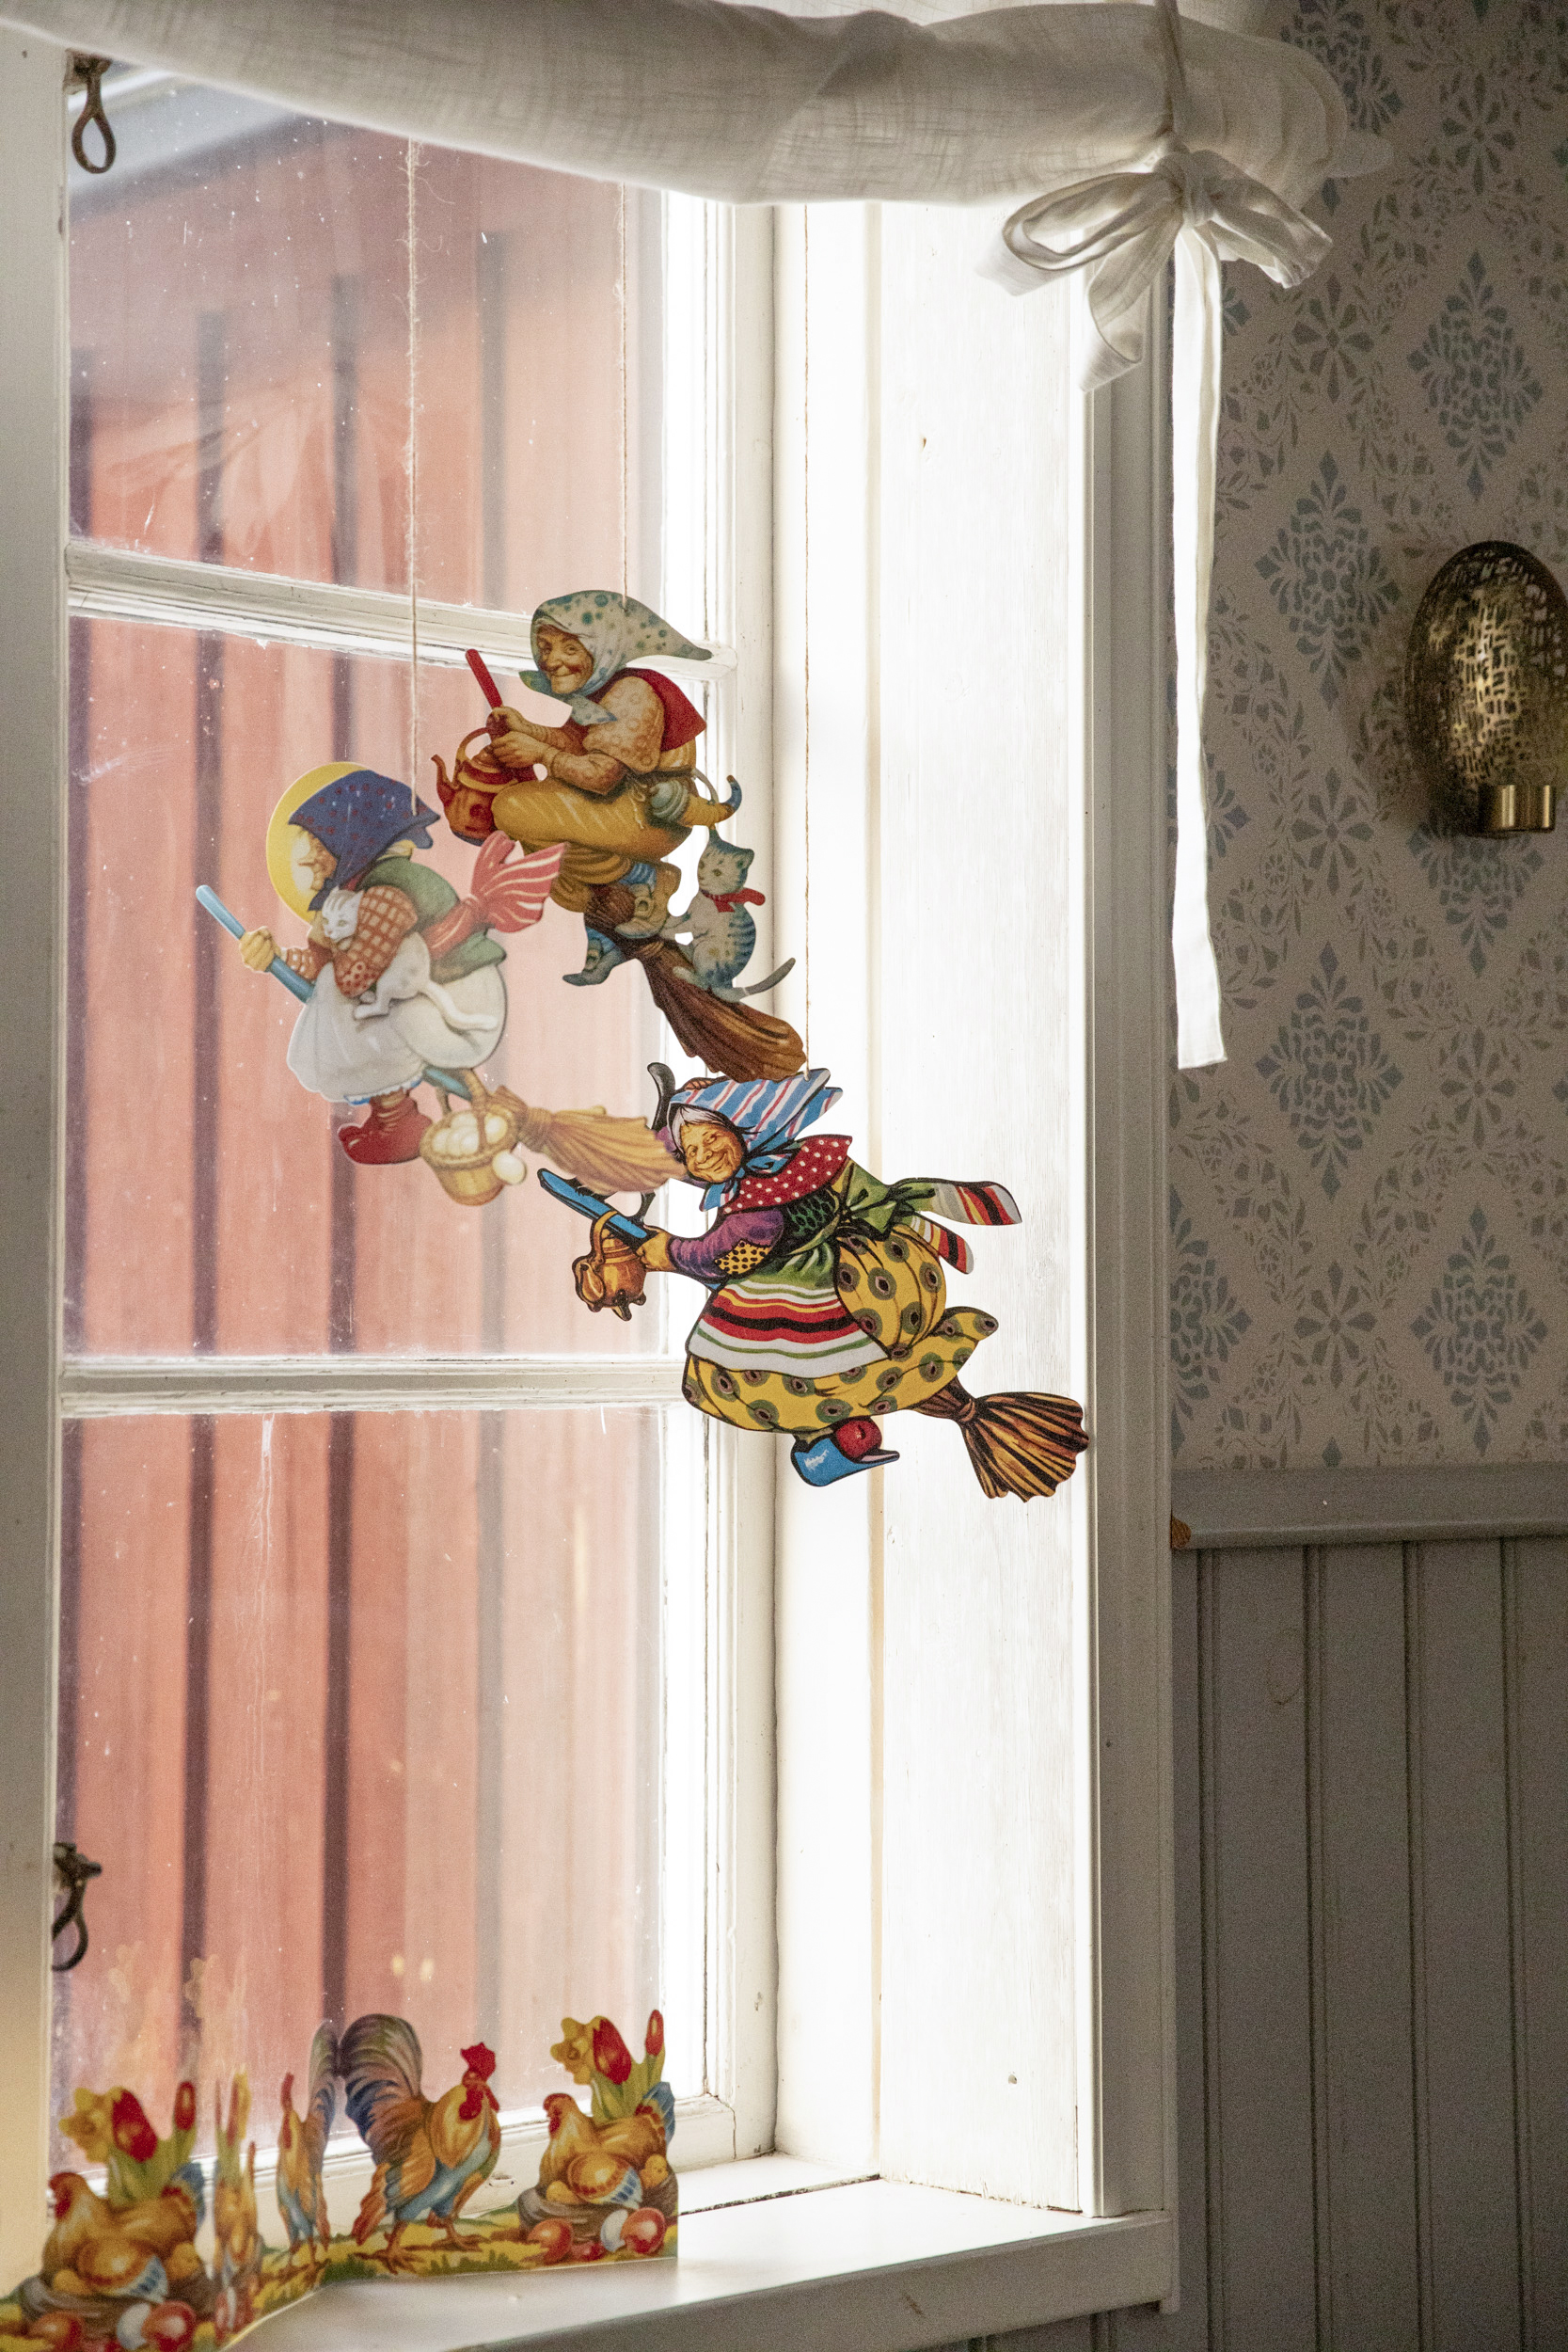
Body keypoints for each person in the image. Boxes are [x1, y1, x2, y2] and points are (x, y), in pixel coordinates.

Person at [612, 1070, 1088, 1494]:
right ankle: (838, 1447)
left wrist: (670, 1253)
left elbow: (724, 1257)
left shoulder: (758, 1202)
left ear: (742, 1128)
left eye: (711, 1138)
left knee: (769, 1373)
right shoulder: (803, 1160)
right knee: (827, 1378)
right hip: (879, 1272)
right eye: (691, 1152)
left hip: (820, 1291)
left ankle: (826, 1450)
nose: (704, 1156)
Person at [447, 591, 739, 982]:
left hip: (649, 814)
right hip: (627, 806)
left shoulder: (633, 693)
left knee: (513, 808)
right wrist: (529, 730)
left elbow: (602, 776)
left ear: (604, 646)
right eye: (546, 647)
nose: (552, 661)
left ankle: (644, 877)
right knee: (541, 838)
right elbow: (578, 744)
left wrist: (540, 753)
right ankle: (615, 895)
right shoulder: (604, 688)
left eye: (570, 648)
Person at [237, 770, 506, 1166]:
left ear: (351, 840)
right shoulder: (350, 895)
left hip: (462, 1006)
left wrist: (330, 952)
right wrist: (273, 957)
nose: (310, 860)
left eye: (319, 846)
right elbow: (320, 964)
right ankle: (390, 1117)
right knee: (345, 993)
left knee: (341, 993)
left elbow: (350, 979)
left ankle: (399, 1123)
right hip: (420, 1001)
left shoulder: (385, 892)